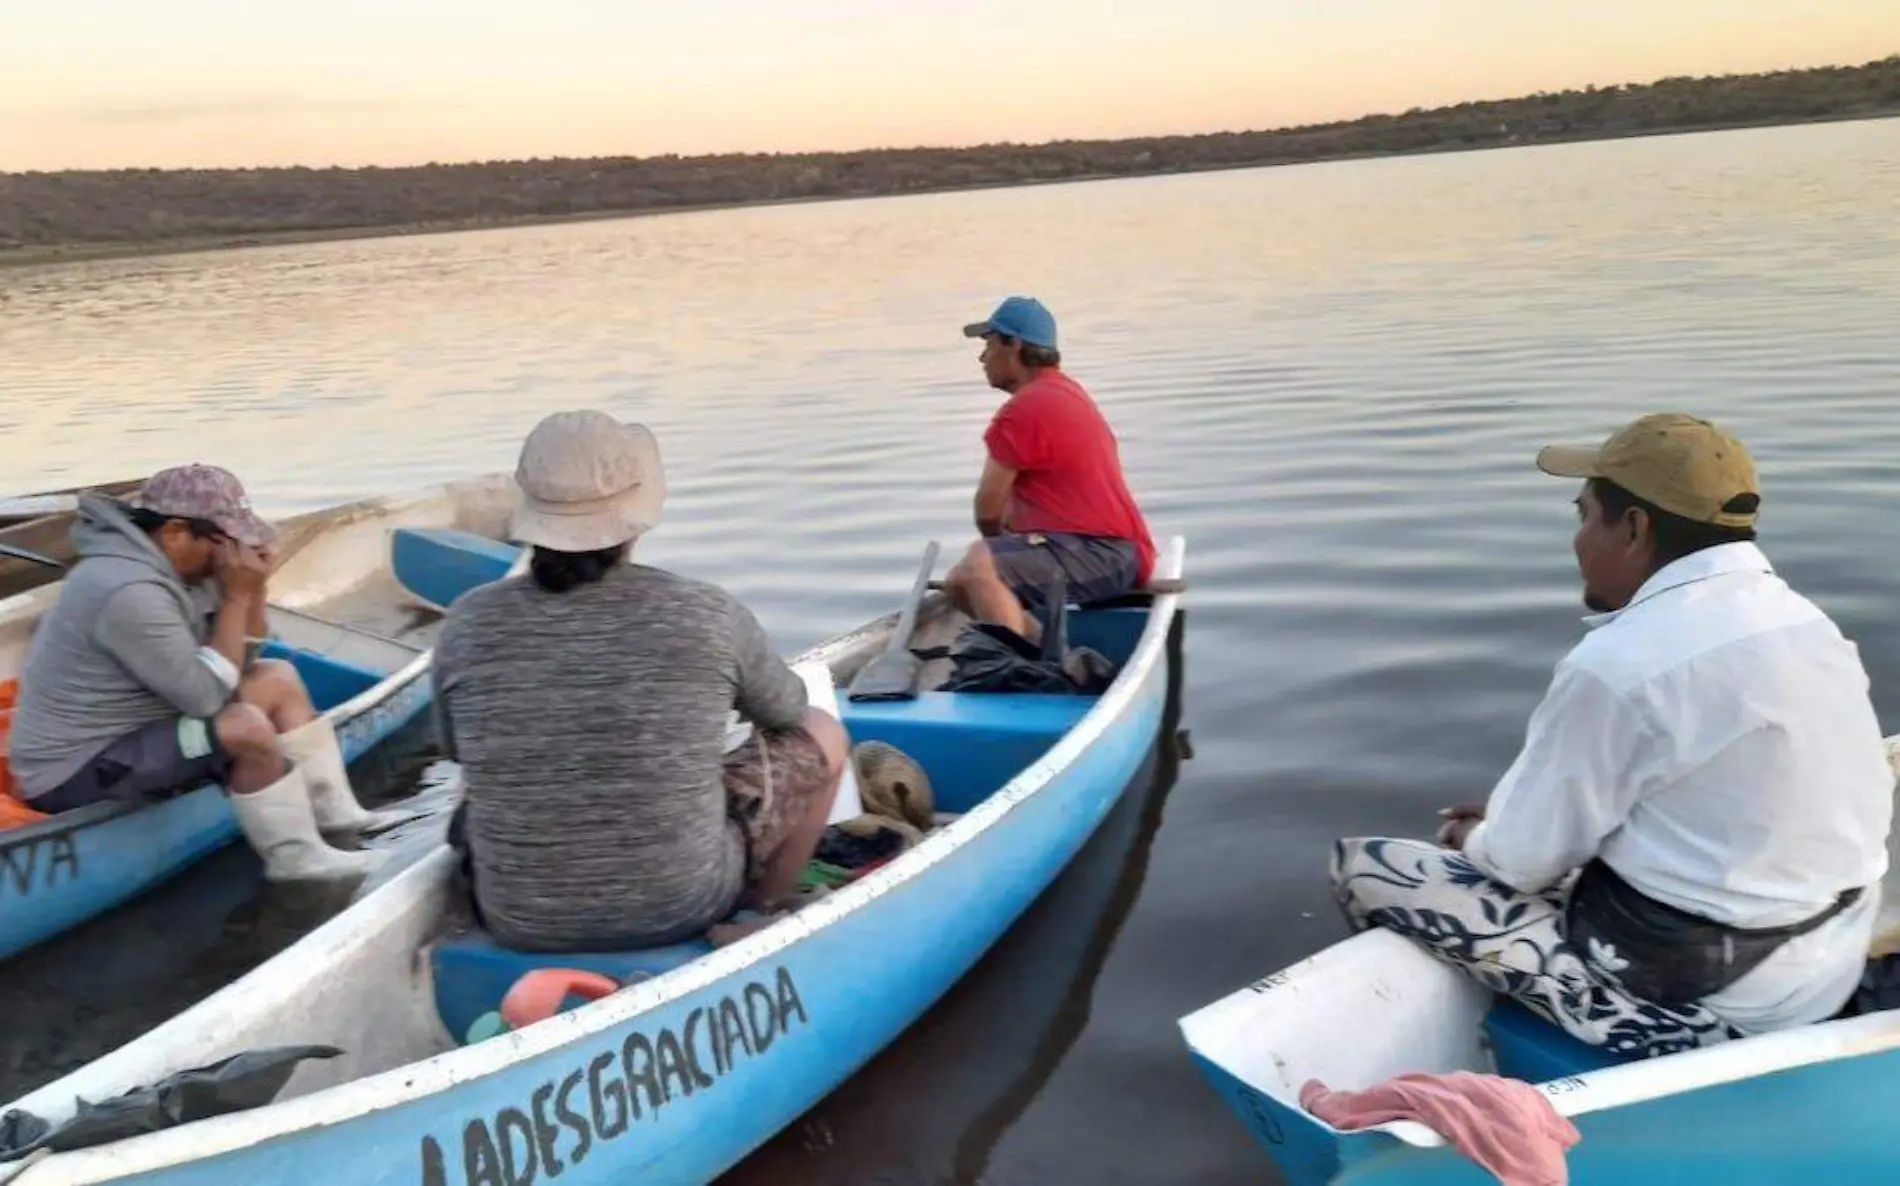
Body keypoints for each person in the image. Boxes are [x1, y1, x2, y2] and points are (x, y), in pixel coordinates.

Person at [1331, 413, 1893, 1058]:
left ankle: (1519, 1050)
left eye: (1584, 515)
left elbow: (1517, 861)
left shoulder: (1622, 666)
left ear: (1633, 527)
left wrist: (1474, 835)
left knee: (1369, 867)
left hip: (1713, 1004)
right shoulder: (1804, 625)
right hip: (1824, 969)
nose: (1577, 541)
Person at [432, 409, 848, 953]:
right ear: (635, 515)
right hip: (685, 907)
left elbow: (456, 751)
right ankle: (760, 910)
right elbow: (789, 710)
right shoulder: (705, 612)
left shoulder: (466, 621)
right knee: (824, 733)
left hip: (517, 918)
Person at [7, 464, 393, 881]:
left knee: (277, 678)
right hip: (80, 769)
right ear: (174, 533)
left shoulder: (188, 568)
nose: (233, 553)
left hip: (140, 730)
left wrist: (253, 591)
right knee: (243, 725)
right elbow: (208, 699)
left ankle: (337, 816)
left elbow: (238, 665)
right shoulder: (125, 590)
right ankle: (296, 859)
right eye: (223, 540)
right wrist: (236, 597)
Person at [943, 296, 1155, 641]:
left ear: (1015, 346)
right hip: (1117, 554)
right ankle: (1041, 648)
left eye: (989, 344)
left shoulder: (1024, 410)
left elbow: (986, 510)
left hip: (1105, 554)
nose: (982, 358)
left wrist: (1002, 558)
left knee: (979, 567)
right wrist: (1016, 555)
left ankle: (1019, 670)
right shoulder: (1065, 392)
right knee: (958, 585)